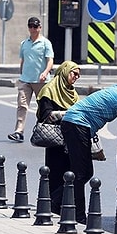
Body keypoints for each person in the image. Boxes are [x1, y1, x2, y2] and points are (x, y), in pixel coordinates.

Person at [60, 72, 117, 224]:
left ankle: (56, 202)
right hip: (77, 124)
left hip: (76, 125)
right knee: (81, 173)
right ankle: (77, 214)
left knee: (85, 172)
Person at [35, 61, 81, 214]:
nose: (76, 77)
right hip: (54, 139)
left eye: (78, 75)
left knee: (70, 172)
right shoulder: (49, 90)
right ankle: (53, 204)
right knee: (55, 172)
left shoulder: (72, 93)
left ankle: (64, 204)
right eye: (74, 73)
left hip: (70, 139)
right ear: (64, 72)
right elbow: (46, 115)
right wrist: (67, 115)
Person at [8, 17, 54, 143]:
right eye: (30, 26)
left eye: (35, 26)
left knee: (43, 107)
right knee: (22, 105)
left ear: (39, 27)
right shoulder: (24, 43)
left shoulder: (45, 43)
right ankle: (19, 131)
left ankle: (44, 130)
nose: (32, 29)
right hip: (25, 80)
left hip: (41, 81)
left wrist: (45, 72)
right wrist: (21, 73)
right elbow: (23, 60)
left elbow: (50, 60)